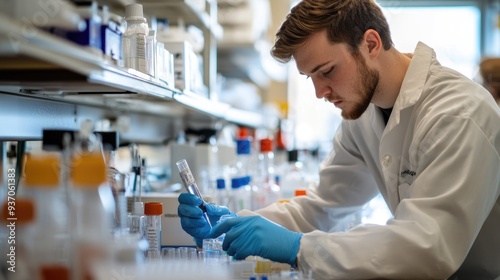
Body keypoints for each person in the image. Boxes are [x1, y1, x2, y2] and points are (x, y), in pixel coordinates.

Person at [178, 0, 500, 279]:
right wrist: (237, 225)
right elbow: (323, 207)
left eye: (327, 71)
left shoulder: (457, 114)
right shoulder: (362, 115)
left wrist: (296, 248)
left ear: (371, 44)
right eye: (311, 78)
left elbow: (428, 246)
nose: (320, 92)